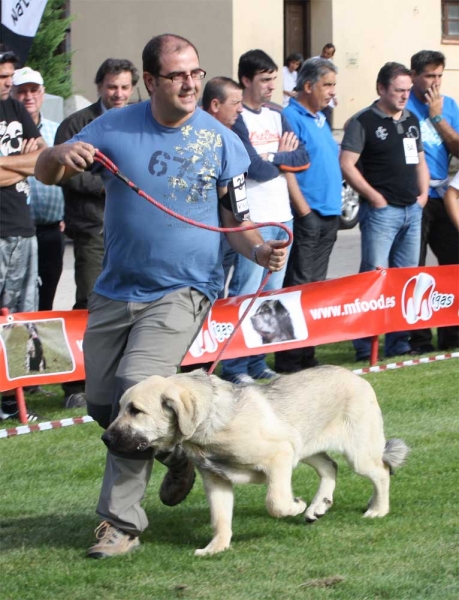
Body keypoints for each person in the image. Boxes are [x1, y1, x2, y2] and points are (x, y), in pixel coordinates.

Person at [35, 33, 288, 559]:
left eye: (195, 72)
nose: (190, 82)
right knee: (106, 407)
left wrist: (259, 251)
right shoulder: (112, 126)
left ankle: (119, 524)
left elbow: (234, 221)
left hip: (183, 290)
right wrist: (58, 154)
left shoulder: (222, 141)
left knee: (136, 387)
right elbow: (47, 173)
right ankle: (175, 452)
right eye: (176, 75)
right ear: (151, 82)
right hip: (114, 288)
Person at [219, 49, 310, 385]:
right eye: (266, 79)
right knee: (245, 292)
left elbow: (303, 157)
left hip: (282, 216)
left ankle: (257, 362)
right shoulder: (239, 117)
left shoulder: (277, 113)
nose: (274, 85)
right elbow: (251, 167)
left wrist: (273, 156)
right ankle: (235, 366)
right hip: (252, 222)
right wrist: (278, 156)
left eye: (274, 78)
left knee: (271, 296)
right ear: (246, 81)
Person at [55, 58, 139, 408]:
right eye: (111, 87)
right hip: (92, 229)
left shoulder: (141, 117)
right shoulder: (76, 123)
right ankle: (76, 385)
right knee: (89, 303)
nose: (118, 94)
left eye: (124, 87)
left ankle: (125, 378)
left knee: (133, 304)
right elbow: (63, 171)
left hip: (133, 230)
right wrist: (112, 184)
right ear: (99, 86)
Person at [340, 61, 430, 361]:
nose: (404, 96)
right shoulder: (362, 121)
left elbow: (420, 160)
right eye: (398, 90)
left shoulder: (411, 119)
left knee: (406, 281)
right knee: (373, 278)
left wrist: (424, 194)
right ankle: (365, 346)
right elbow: (347, 164)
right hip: (382, 213)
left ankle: (399, 344)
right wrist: (374, 197)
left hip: (411, 211)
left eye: (407, 90)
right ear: (381, 88)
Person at [274, 58, 342, 373]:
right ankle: (290, 359)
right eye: (327, 85)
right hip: (309, 215)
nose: (332, 92)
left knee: (315, 289)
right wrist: (304, 211)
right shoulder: (291, 116)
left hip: (328, 214)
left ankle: (307, 356)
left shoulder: (319, 117)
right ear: (308, 86)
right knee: (298, 288)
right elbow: (286, 167)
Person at [0, 48, 46, 422]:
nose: (7, 83)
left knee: (22, 314)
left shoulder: (16, 109)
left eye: (9, 77)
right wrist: (23, 165)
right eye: (1, 77)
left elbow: (43, 160)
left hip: (23, 227)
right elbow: (30, 164)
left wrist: (16, 166)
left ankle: (14, 397)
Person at [407, 50, 459, 353]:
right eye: (428, 76)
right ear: (414, 75)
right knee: (415, 269)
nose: (434, 83)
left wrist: (438, 118)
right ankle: (418, 339)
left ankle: (452, 335)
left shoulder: (449, 105)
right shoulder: (404, 101)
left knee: (453, 267)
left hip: (446, 197)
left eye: (439, 76)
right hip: (416, 198)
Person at [11, 67, 65, 311]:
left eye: (34, 90)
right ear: (12, 95)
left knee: (46, 299)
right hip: (14, 230)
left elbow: (70, 176)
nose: (28, 96)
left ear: (43, 94)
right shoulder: (6, 133)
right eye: (21, 91)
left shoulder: (58, 131)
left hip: (52, 229)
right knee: (14, 301)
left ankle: (38, 349)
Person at [313, 44, 337, 127]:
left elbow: (332, 83)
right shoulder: (313, 61)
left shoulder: (331, 66)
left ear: (332, 55)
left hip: (327, 99)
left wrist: (334, 98)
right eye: (324, 52)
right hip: (316, 95)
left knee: (326, 122)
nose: (325, 55)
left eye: (328, 54)